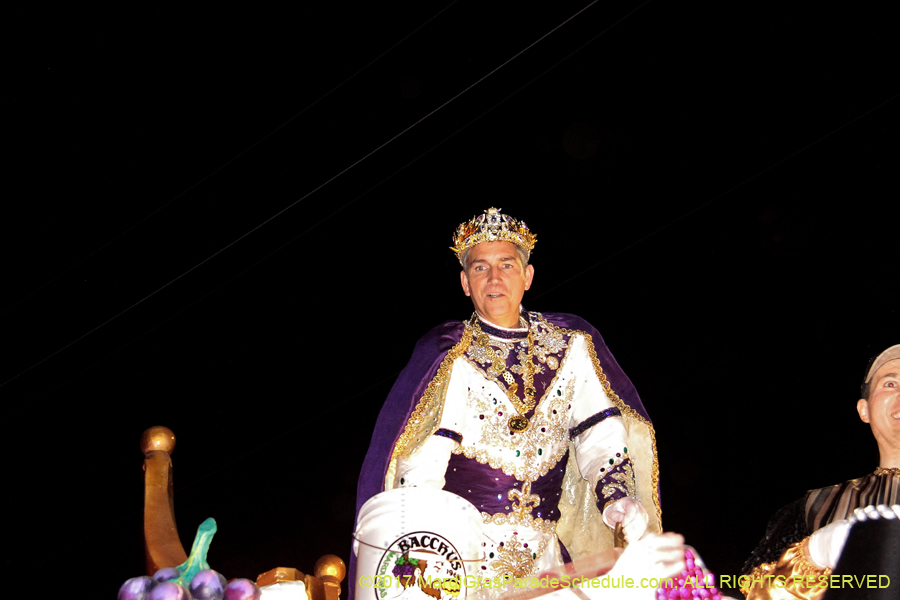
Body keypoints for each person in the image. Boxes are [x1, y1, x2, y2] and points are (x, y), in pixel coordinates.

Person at [353, 208, 678, 597]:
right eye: (480, 268)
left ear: (527, 277)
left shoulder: (571, 345)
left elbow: (600, 433)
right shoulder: (450, 357)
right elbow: (420, 469)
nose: (494, 279)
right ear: (464, 283)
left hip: (548, 566)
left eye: (506, 265)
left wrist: (618, 496)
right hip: (467, 565)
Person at [741, 344, 900, 600]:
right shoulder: (812, 508)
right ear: (864, 410)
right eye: (890, 384)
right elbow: (755, 593)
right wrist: (813, 553)